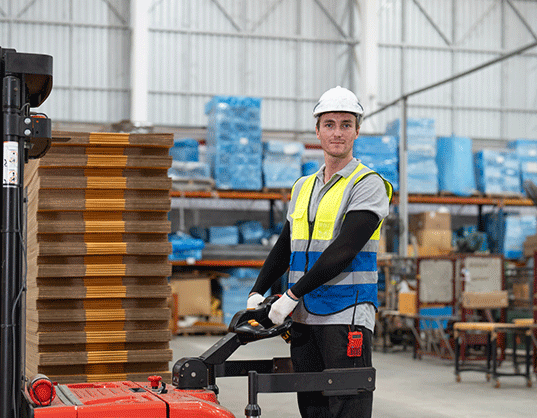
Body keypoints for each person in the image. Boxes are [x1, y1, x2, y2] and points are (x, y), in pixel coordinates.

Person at [246, 86, 392, 418]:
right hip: (304, 315)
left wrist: (290, 295)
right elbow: (284, 245)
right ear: (317, 130)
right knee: (311, 406)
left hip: (346, 313)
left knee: (346, 405)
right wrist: (257, 291)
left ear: (357, 130)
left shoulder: (366, 184)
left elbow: (344, 250)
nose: (337, 132)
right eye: (329, 124)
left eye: (345, 124)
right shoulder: (303, 186)